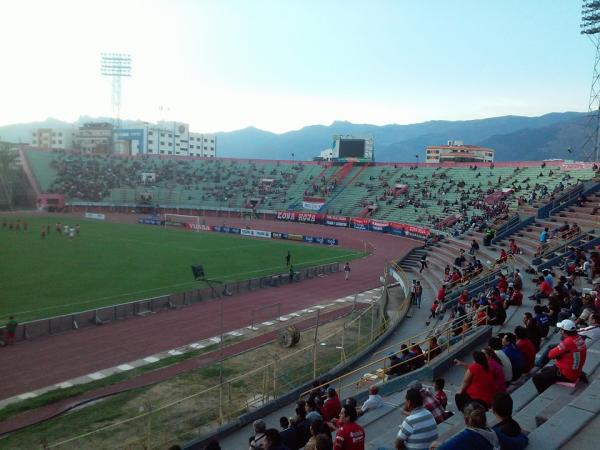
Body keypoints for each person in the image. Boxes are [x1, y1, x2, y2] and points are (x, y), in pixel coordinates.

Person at [533, 319, 588, 393]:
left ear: (563, 331)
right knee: (544, 370)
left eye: (561, 330)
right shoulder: (579, 338)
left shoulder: (568, 342)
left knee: (536, 378)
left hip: (567, 374)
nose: (560, 331)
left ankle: (544, 393)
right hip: (575, 371)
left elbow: (550, 354)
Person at [432, 402, 500, 450]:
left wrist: (439, 446)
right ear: (484, 418)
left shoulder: (467, 436)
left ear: (466, 420)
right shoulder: (493, 433)